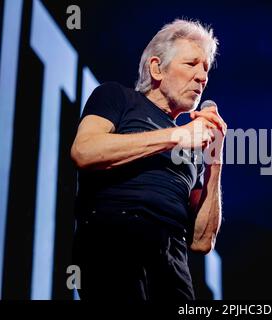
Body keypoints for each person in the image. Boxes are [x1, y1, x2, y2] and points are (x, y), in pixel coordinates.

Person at [70, 19, 226, 301]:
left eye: (205, 69)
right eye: (191, 64)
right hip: (114, 241)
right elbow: (85, 151)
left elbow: (202, 242)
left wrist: (215, 158)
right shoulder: (117, 97)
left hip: (173, 262)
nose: (202, 76)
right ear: (157, 68)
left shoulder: (192, 144)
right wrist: (176, 137)